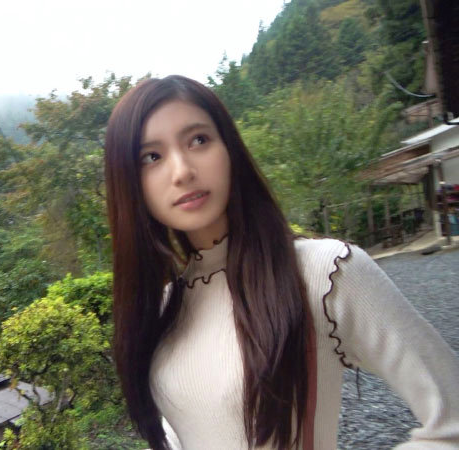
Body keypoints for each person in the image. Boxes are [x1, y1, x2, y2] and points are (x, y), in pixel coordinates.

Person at [103, 75, 459, 450]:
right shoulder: (163, 307)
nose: (182, 171)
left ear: (230, 148)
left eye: (198, 140)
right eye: (152, 157)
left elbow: (450, 423)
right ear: (130, 184)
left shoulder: (325, 272)